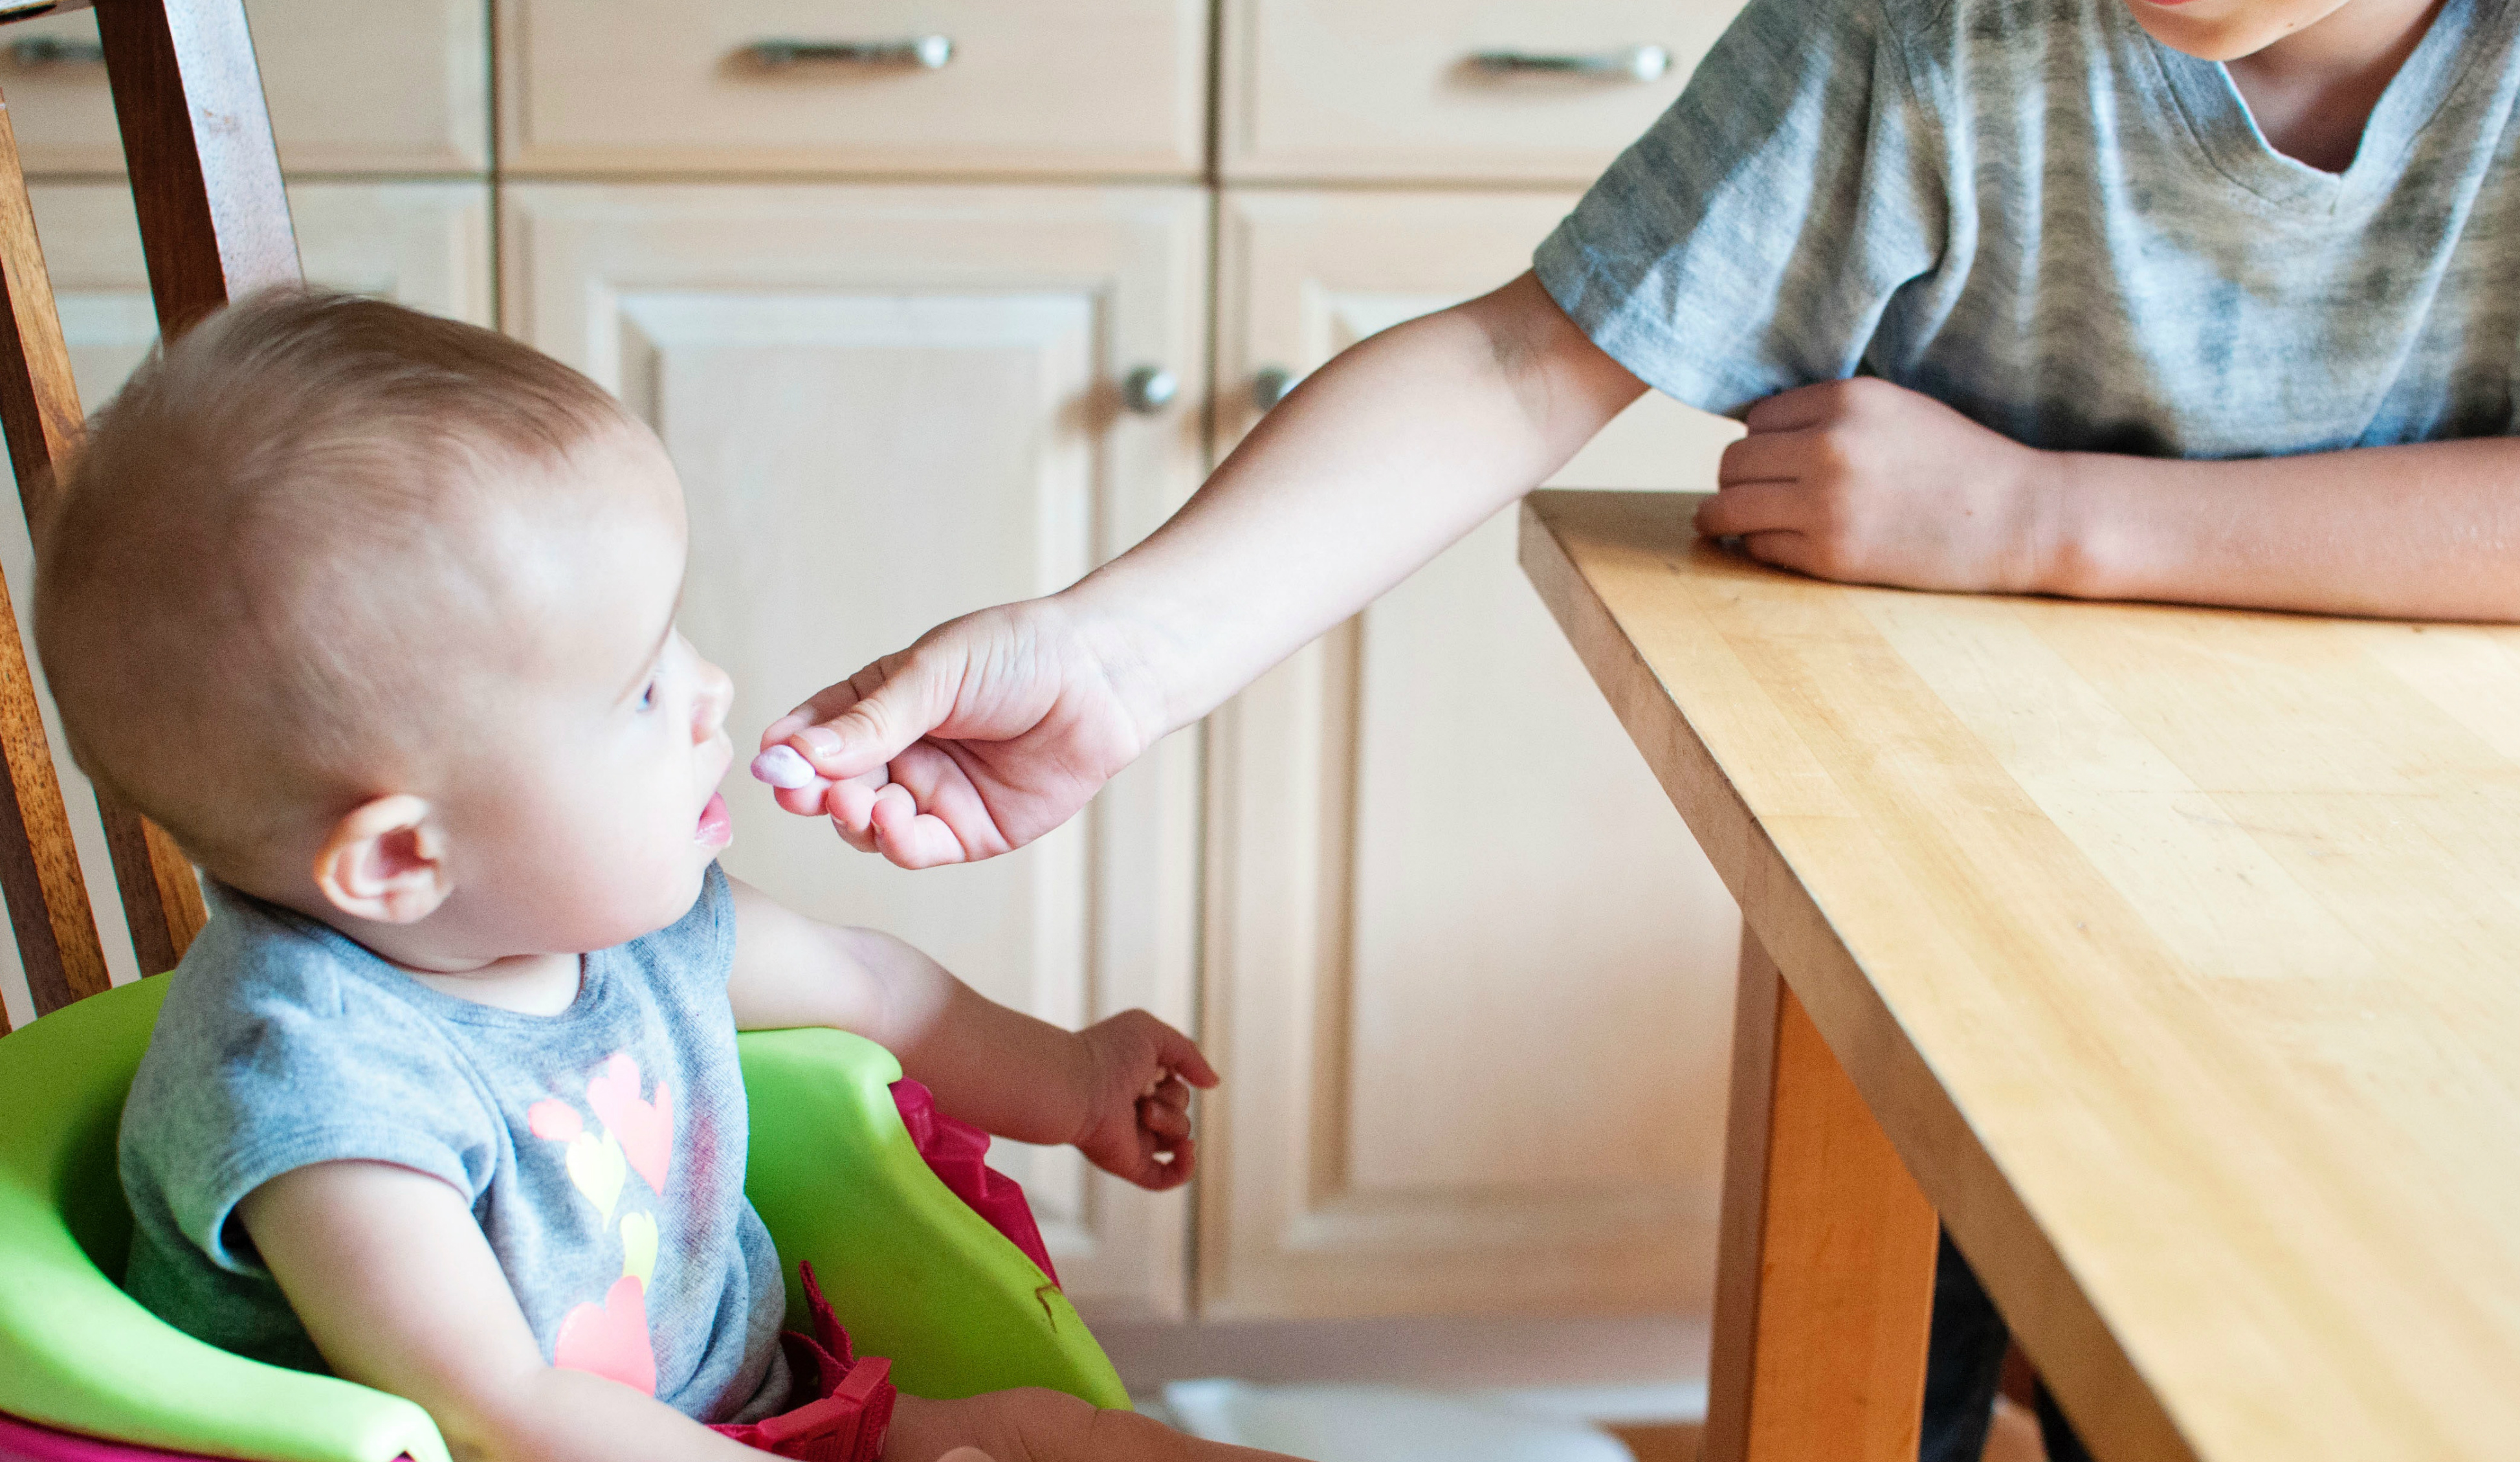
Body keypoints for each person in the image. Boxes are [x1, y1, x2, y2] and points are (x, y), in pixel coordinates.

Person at [745, 0, 2520, 1454]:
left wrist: (2038, 519)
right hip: (1964, 899)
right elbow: (1529, 359)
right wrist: (1114, 655)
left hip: (2419, 921)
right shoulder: (1916, 33)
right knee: (1895, 1368)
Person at [46, 291, 1296, 1462]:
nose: (712, 691)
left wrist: (1076, 1082)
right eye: (639, 690)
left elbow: (875, 985)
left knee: (1053, 1433)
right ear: (402, 859)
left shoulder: (614, 920)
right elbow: (502, 1411)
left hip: (752, 1420)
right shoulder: (323, 1090)